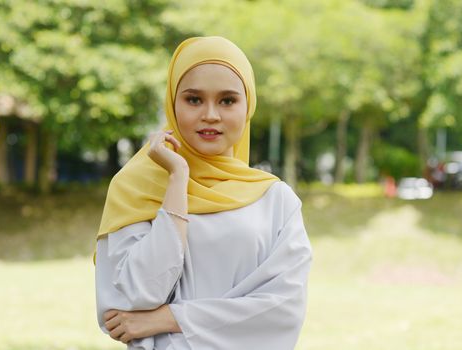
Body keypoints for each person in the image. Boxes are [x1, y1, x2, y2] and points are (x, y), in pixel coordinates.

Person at [94, 36, 312, 350]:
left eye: (227, 100)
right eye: (194, 99)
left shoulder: (276, 201)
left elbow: (282, 309)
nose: (210, 114)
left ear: (247, 106)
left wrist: (170, 318)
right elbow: (131, 298)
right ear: (172, 103)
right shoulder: (135, 186)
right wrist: (177, 179)